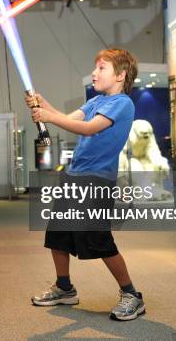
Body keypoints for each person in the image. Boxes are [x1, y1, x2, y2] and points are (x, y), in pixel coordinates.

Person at [26, 48, 144, 321]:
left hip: (96, 180)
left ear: (120, 75)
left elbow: (90, 128)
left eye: (102, 68)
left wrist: (48, 117)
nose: (94, 72)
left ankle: (131, 295)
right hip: (74, 176)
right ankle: (65, 288)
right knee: (58, 234)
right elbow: (70, 119)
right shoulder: (96, 101)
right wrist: (44, 105)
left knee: (98, 238)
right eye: (96, 67)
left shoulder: (122, 103)